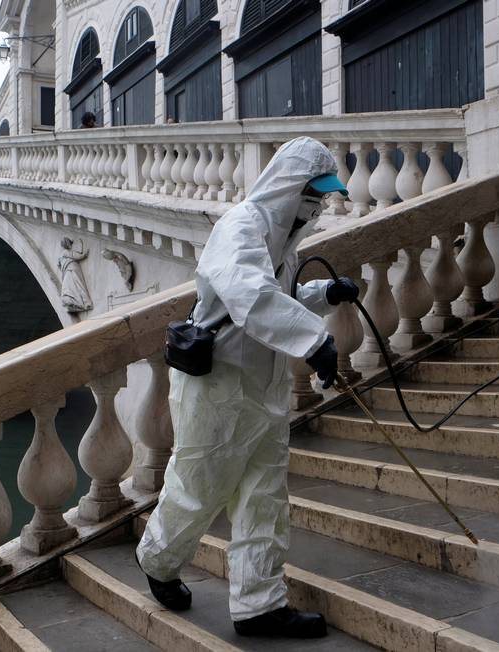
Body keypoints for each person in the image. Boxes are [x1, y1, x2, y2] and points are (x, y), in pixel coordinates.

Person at [136, 137, 359, 638]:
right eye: (312, 193)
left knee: (265, 498)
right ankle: (158, 561)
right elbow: (249, 297)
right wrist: (313, 339)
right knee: (198, 488)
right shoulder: (240, 228)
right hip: (217, 388)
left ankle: (260, 604)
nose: (317, 204)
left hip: (263, 389)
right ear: (288, 187)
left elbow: (278, 293)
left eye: (322, 196)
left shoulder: (280, 239)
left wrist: (324, 294)